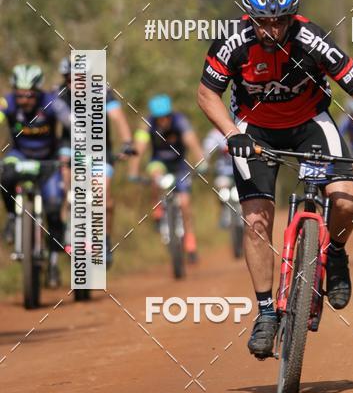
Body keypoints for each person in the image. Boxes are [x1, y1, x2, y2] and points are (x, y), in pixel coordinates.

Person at [197, 0, 353, 359]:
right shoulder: (233, 43)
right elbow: (207, 94)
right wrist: (232, 134)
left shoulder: (313, 40)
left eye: (281, 20)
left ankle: (337, 254)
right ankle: (264, 313)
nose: (273, 29)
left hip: (310, 125)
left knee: (345, 202)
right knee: (257, 221)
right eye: (264, 20)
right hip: (254, 129)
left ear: (293, 17)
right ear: (249, 17)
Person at [54, 57, 136, 268]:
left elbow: (117, 117)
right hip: (70, 148)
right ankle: (61, 234)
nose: (74, 83)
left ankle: (105, 241)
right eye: (69, 79)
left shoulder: (102, 91)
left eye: (79, 79)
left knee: (103, 197)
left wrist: (127, 142)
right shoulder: (59, 93)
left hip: (100, 150)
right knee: (63, 187)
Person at [0, 64, 71, 287]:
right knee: (5, 174)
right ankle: (12, 216)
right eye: (19, 94)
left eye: (29, 94)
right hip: (20, 154)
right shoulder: (7, 102)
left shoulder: (52, 101)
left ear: (38, 91)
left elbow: (72, 122)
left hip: (49, 159)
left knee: (53, 204)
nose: (24, 100)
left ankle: (52, 260)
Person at [129, 95, 206, 263]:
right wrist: (133, 170)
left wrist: (201, 160)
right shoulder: (147, 123)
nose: (163, 121)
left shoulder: (180, 121)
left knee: (185, 203)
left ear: (170, 114)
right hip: (159, 163)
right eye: (159, 118)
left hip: (180, 166)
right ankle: (158, 209)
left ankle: (190, 242)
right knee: (156, 176)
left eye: (166, 116)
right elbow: (139, 148)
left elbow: (191, 140)